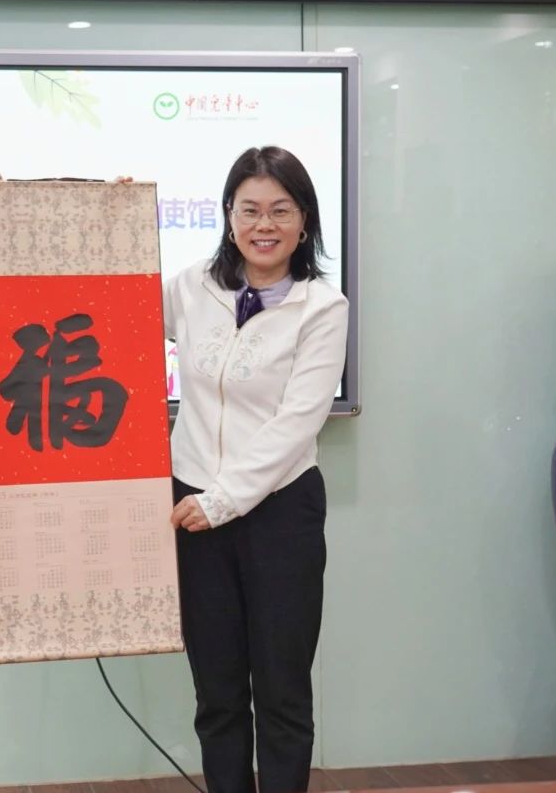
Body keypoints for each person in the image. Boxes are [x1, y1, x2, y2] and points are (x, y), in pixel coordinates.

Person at [163, 146, 349, 793]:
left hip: (279, 513)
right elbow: (108, 309)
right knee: (215, 693)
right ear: (228, 215)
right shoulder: (192, 287)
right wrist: (113, 216)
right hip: (192, 506)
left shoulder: (322, 307)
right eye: (249, 210)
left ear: (304, 221)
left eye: (280, 210)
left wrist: (222, 501)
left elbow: (297, 423)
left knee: (282, 692)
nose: (263, 225)